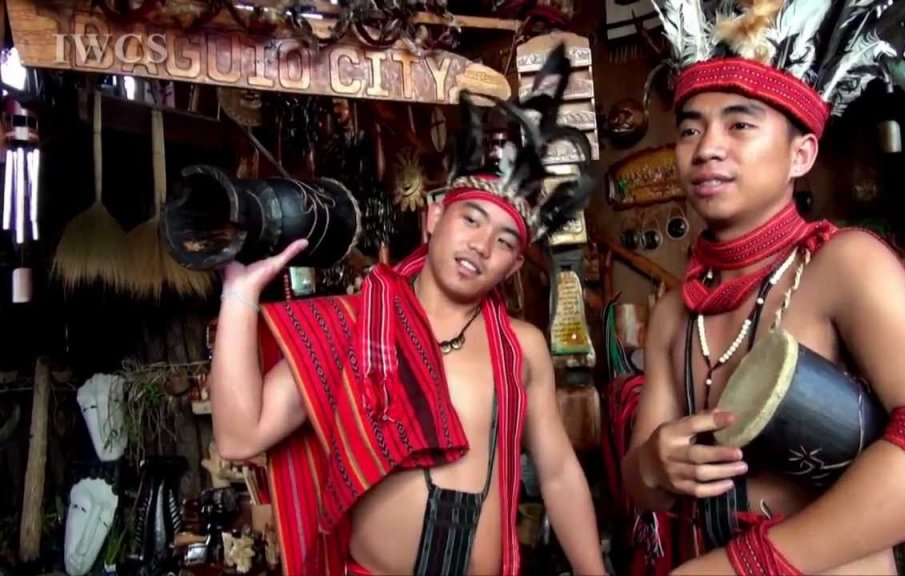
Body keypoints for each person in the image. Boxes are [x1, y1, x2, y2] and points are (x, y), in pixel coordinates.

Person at [622, 1, 905, 575]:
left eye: (739, 124)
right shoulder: (673, 310)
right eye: (690, 128)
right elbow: (640, 486)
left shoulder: (844, 264)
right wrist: (654, 468)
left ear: (802, 153)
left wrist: (747, 566)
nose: (706, 146)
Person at [206, 46, 606, 576]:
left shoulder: (521, 345)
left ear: (512, 267)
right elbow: (238, 437)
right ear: (434, 217)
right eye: (471, 219)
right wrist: (239, 293)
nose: (481, 245)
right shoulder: (351, 326)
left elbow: (556, 472)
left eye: (505, 239)